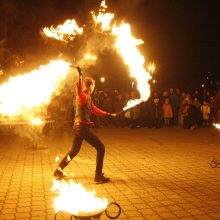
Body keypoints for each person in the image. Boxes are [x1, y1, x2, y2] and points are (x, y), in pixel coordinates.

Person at [53, 67, 117, 183]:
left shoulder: (88, 98)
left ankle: (58, 171)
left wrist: (108, 114)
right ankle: (98, 176)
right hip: (82, 128)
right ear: (90, 85)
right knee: (101, 148)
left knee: (74, 151)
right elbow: (78, 88)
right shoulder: (82, 96)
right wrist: (80, 75)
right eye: (93, 86)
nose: (94, 88)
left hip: (78, 128)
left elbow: (94, 109)